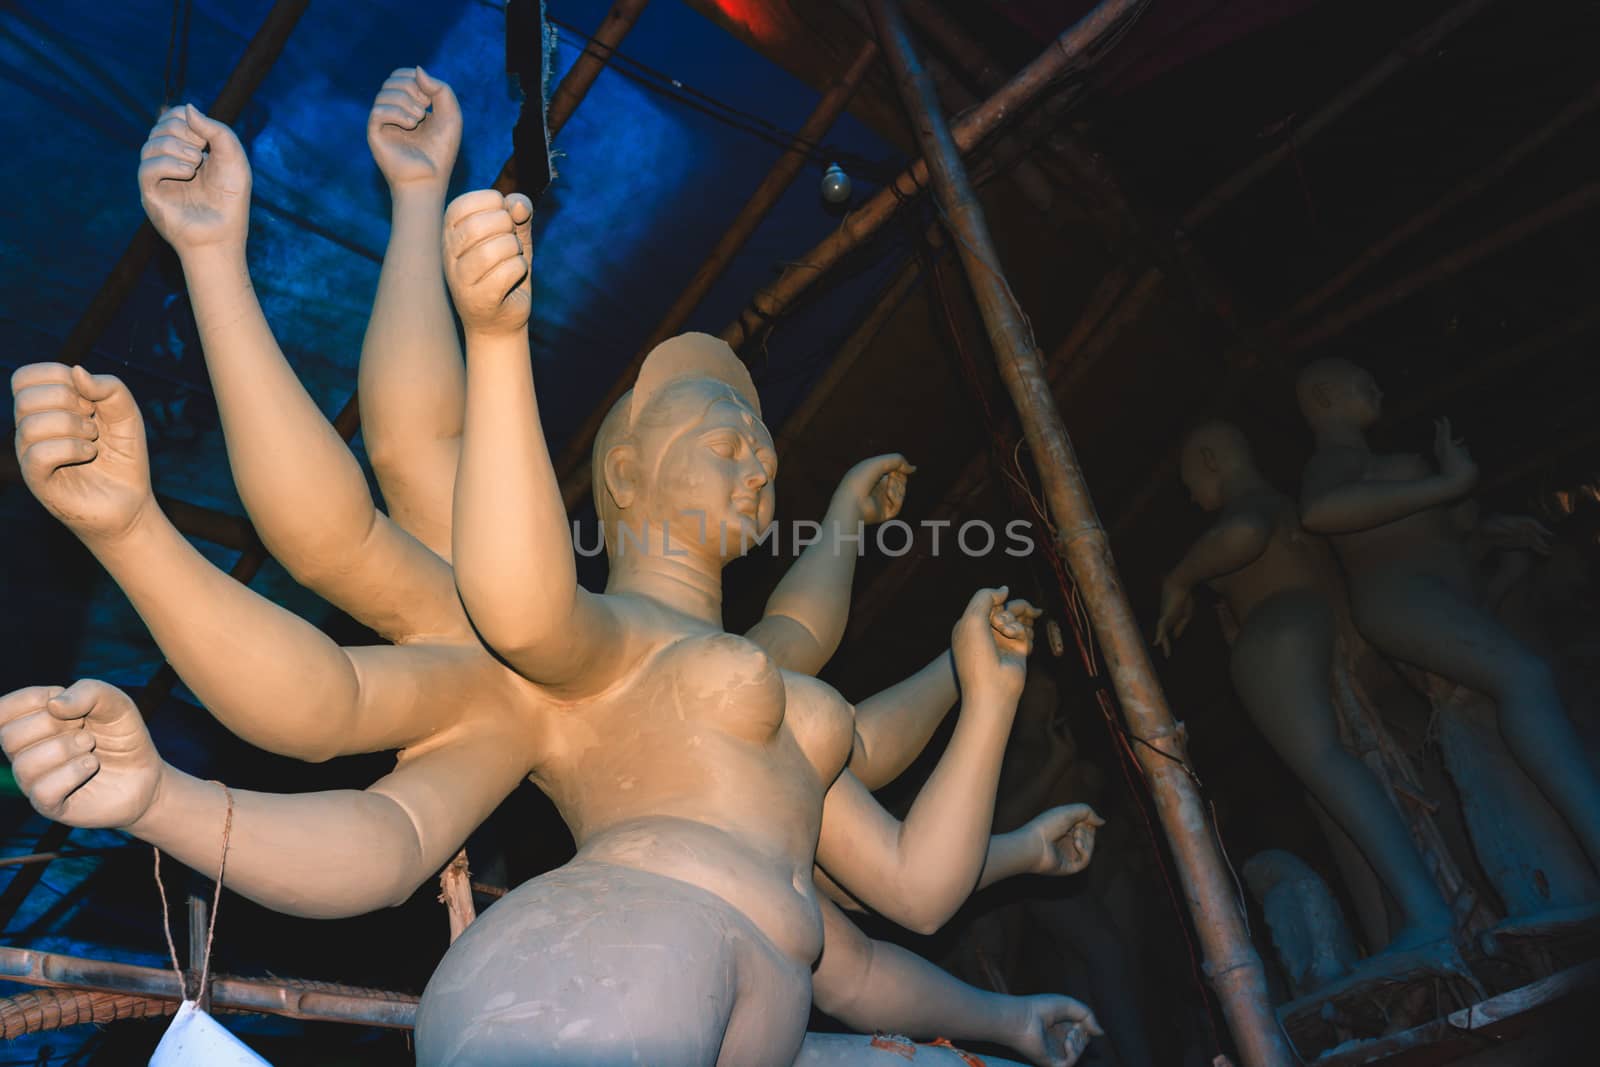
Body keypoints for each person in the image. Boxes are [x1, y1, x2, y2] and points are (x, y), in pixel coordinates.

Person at [3, 74, 1101, 1065]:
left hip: (772, 1006)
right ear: (624, 470)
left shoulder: (777, 710)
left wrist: (977, 692)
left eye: (765, 453)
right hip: (604, 958)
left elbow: (910, 891)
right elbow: (434, 550)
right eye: (724, 436)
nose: (758, 463)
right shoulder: (568, 652)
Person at [1156, 420, 1452, 951]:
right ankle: (1400, 924)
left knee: (1324, 764)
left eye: (1189, 482)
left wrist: (1179, 579)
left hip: (1278, 629)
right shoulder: (1292, 510)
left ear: (1208, 461)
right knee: (1338, 779)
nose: (1192, 497)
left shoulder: (1252, 505)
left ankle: (1425, 912)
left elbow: (1241, 535)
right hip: (1328, 632)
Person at [1296, 358, 1600, 872]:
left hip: (1442, 591)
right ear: (1324, 398)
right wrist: (1445, 485)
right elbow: (1320, 511)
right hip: (1400, 597)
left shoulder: (1371, 465)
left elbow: (1421, 534)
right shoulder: (1333, 460)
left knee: (1518, 709)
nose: (1377, 387)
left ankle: (1567, 856)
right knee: (1525, 676)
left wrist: (1487, 531)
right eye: (1362, 381)